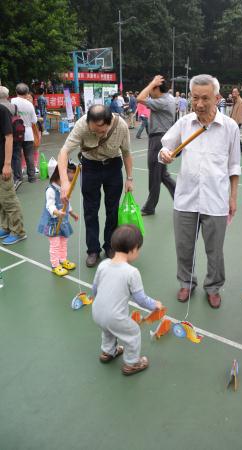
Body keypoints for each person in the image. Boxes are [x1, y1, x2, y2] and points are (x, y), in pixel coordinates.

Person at [159, 74, 241, 308]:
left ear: (217, 98)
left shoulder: (230, 127)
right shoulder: (184, 123)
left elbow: (234, 166)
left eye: (205, 98)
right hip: (185, 199)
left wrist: (233, 198)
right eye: (195, 98)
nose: (200, 104)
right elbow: (165, 149)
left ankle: (213, 286)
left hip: (216, 200)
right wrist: (164, 155)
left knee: (215, 250)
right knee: (184, 247)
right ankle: (186, 282)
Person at [57, 104, 133, 268]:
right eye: (94, 131)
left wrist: (130, 178)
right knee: (90, 211)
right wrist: (64, 182)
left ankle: (110, 245)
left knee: (112, 210)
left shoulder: (121, 126)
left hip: (113, 166)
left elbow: (126, 152)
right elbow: (64, 152)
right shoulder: (82, 125)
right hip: (90, 167)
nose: (98, 134)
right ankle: (93, 250)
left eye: (101, 131)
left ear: (109, 121)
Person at [92, 224, 163, 376]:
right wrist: (154, 305)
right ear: (133, 249)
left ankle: (107, 352)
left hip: (97, 312)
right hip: (114, 317)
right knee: (133, 332)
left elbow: (95, 288)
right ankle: (132, 363)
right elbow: (140, 299)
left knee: (108, 329)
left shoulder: (103, 265)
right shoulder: (132, 272)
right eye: (139, 249)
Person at [137, 75, 176, 216]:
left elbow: (140, 98)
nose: (150, 90)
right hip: (163, 138)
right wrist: (152, 84)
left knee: (154, 173)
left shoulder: (162, 101)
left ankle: (149, 207)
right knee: (163, 174)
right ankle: (181, 198)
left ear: (157, 88)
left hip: (158, 139)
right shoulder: (169, 99)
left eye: (152, 87)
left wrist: (152, 83)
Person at [37, 161, 78, 276]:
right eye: (67, 180)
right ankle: (55, 265)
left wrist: (72, 213)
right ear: (59, 176)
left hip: (63, 222)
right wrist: (57, 212)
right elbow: (49, 206)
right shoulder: (51, 190)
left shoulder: (63, 189)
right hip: (52, 223)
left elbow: (67, 203)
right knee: (55, 244)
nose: (68, 183)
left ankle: (63, 260)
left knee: (63, 241)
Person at [0, 104, 27, 245]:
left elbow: (9, 137)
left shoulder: (2, 110)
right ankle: (6, 227)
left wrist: (7, 164)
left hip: (2, 164)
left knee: (8, 199)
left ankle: (18, 231)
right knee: (1, 200)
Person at [11, 83, 37, 188]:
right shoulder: (29, 104)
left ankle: (18, 178)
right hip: (28, 132)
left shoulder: (12, 101)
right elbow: (34, 120)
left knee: (16, 155)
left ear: (16, 92)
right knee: (29, 155)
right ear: (27, 93)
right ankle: (31, 177)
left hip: (15, 132)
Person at [230, 87, 242, 153]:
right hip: (232, 121)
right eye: (232, 92)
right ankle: (241, 147)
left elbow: (239, 113)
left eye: (234, 92)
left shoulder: (240, 101)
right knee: (234, 135)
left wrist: (236, 123)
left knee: (233, 135)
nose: (233, 93)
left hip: (236, 122)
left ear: (238, 93)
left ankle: (241, 147)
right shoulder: (235, 100)